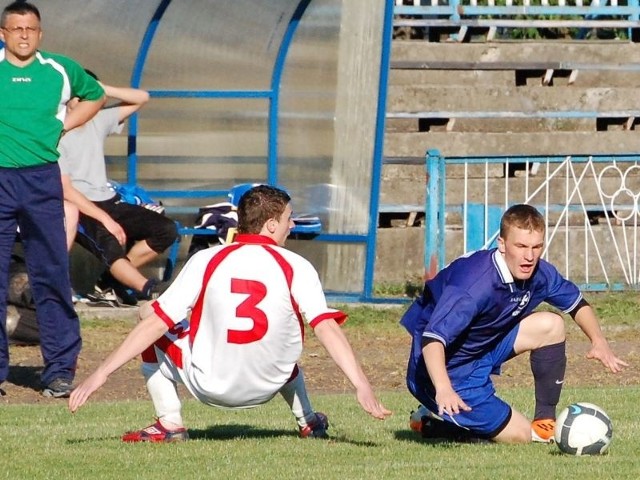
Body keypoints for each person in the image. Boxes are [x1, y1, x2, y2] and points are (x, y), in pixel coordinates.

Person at [69, 185, 391, 441]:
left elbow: (156, 323)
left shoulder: (207, 259)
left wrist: (102, 372)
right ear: (271, 224)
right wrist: (360, 384)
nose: (292, 225)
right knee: (283, 336)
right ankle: (308, 421)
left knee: (149, 316)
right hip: (269, 382)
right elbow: (327, 329)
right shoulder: (297, 266)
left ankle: (170, 423)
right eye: (289, 218)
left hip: (211, 387)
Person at [401, 204, 627, 444]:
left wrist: (598, 340)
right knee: (519, 436)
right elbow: (432, 339)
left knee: (551, 325)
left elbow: (577, 303)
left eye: (536, 247)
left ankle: (545, 424)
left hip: (483, 348)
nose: (529, 257)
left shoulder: (539, 272)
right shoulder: (473, 287)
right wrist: (444, 388)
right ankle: (433, 424)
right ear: (502, 244)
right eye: (520, 246)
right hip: (443, 371)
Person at [0, 1, 105, 397]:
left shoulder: (60, 70)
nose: (24, 35)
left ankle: (59, 370)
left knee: (52, 274)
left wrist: (64, 126)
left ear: (40, 34)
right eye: (16, 28)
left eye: (31, 28)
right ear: (3, 33)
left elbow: (93, 96)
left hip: (42, 178)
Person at [58, 76, 178, 305]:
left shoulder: (98, 119)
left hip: (109, 200)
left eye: (90, 95)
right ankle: (149, 290)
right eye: (80, 94)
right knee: (110, 245)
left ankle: (110, 282)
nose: (86, 100)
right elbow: (66, 190)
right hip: (81, 206)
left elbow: (142, 98)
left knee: (165, 229)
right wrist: (106, 220)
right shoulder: (57, 132)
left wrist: (104, 88)